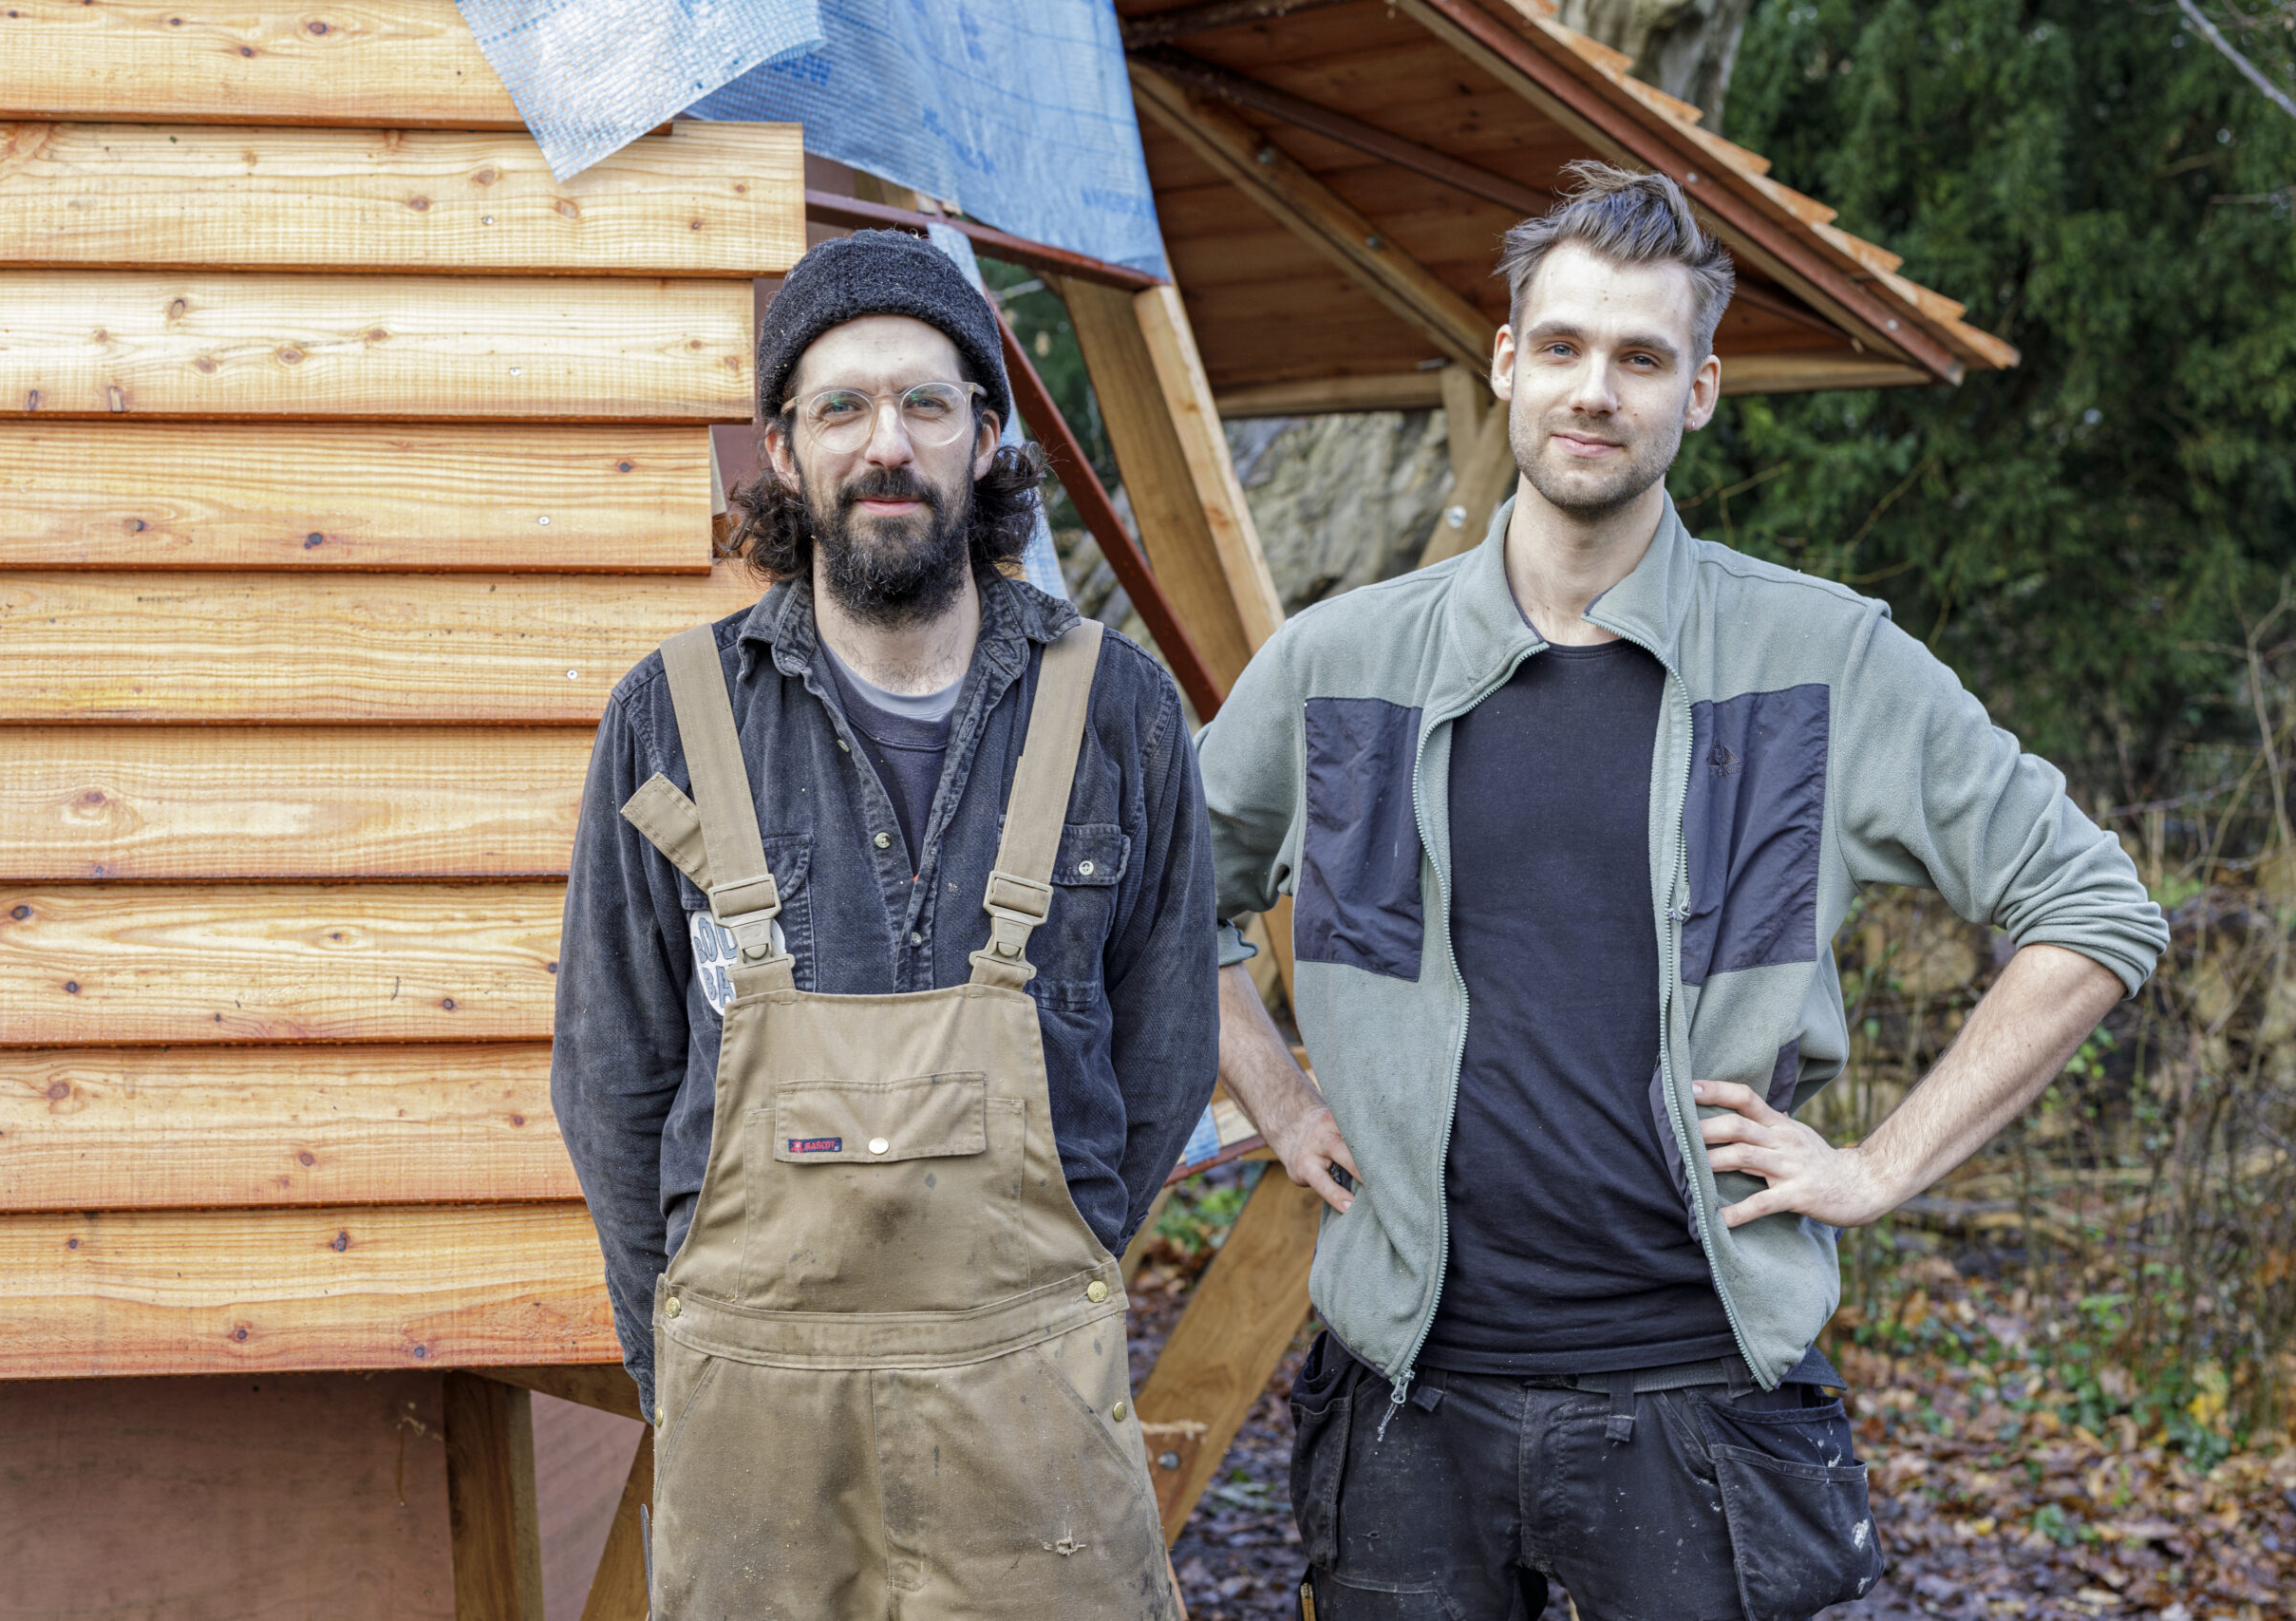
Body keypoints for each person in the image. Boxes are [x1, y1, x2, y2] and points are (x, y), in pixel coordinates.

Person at [1196, 164, 2170, 1620]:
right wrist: (1277, 1097)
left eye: (1642, 358)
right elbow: (1161, 894)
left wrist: (1881, 1167)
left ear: (1699, 390)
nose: (1596, 391)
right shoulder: (1341, 665)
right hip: (1405, 1402)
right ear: (1508, 362)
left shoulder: (1821, 661)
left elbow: (2093, 909)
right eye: (1565, 347)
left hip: (1701, 1405)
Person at [552, 228, 1211, 1618]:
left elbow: (1164, 1052)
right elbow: (612, 1075)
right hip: (755, 1426)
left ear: (985, 435)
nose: (887, 444)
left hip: (1031, 1406)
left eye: (925, 403)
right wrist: (685, 1359)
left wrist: (1060, 1291)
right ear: (783, 452)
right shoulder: (668, 718)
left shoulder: (1120, 712)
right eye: (841, 407)